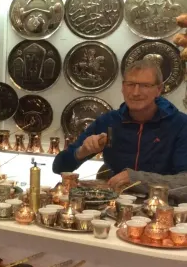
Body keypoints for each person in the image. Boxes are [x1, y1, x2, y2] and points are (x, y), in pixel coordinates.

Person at [54, 59, 187, 192]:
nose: (135, 92)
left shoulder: (180, 124)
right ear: (123, 88)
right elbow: (58, 167)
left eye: (145, 86)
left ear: (159, 90)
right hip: (113, 206)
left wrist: (137, 179)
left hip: (163, 208)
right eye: (130, 84)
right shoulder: (108, 121)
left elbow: (184, 182)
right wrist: (81, 152)